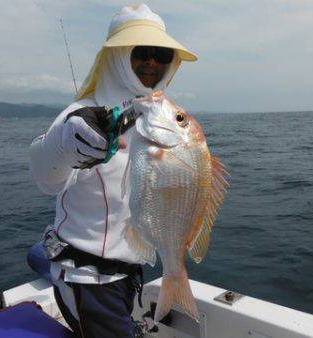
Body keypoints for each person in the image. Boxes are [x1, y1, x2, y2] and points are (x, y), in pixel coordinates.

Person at [29, 4, 196, 337]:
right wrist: (63, 144)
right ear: (119, 54)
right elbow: (45, 177)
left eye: (161, 54)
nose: (152, 62)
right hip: (89, 278)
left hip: (128, 273)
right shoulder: (81, 115)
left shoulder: (158, 115)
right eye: (141, 52)